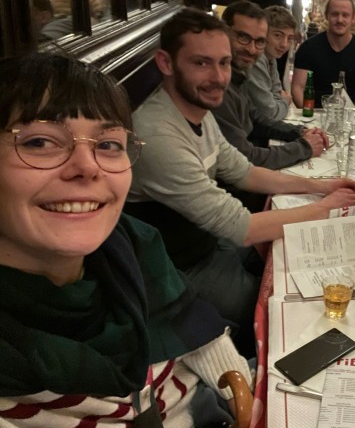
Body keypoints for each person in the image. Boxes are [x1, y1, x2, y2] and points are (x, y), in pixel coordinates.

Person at [0, 54, 254, 427]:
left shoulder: (132, 244)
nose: (88, 167)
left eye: (108, 145)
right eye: (40, 141)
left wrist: (247, 403)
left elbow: (200, 335)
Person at [125, 8, 355, 357]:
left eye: (224, 63)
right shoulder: (157, 134)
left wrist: (323, 187)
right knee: (285, 311)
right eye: (201, 63)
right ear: (166, 63)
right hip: (176, 268)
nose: (218, 77)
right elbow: (242, 227)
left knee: (296, 261)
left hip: (209, 244)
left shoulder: (196, 110)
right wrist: (326, 207)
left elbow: (244, 171)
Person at [212, 1, 326, 171]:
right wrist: (304, 147)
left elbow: (256, 118)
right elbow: (245, 158)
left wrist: (300, 132)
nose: (252, 49)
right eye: (243, 37)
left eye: (259, 41)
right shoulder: (216, 87)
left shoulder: (236, 76)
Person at [291, 0, 355, 111]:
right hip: (312, 115)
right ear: (326, 16)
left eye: (345, 15)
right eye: (335, 14)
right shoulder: (307, 49)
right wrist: (309, 114)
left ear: (353, 18)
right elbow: (297, 88)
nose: (340, 20)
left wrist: (350, 118)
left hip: (348, 116)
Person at [243, 4, 295, 120]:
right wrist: (286, 101)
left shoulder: (271, 58)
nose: (284, 44)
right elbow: (269, 113)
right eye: (278, 35)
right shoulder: (257, 59)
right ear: (263, 33)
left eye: (289, 38)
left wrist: (278, 102)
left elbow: (276, 95)